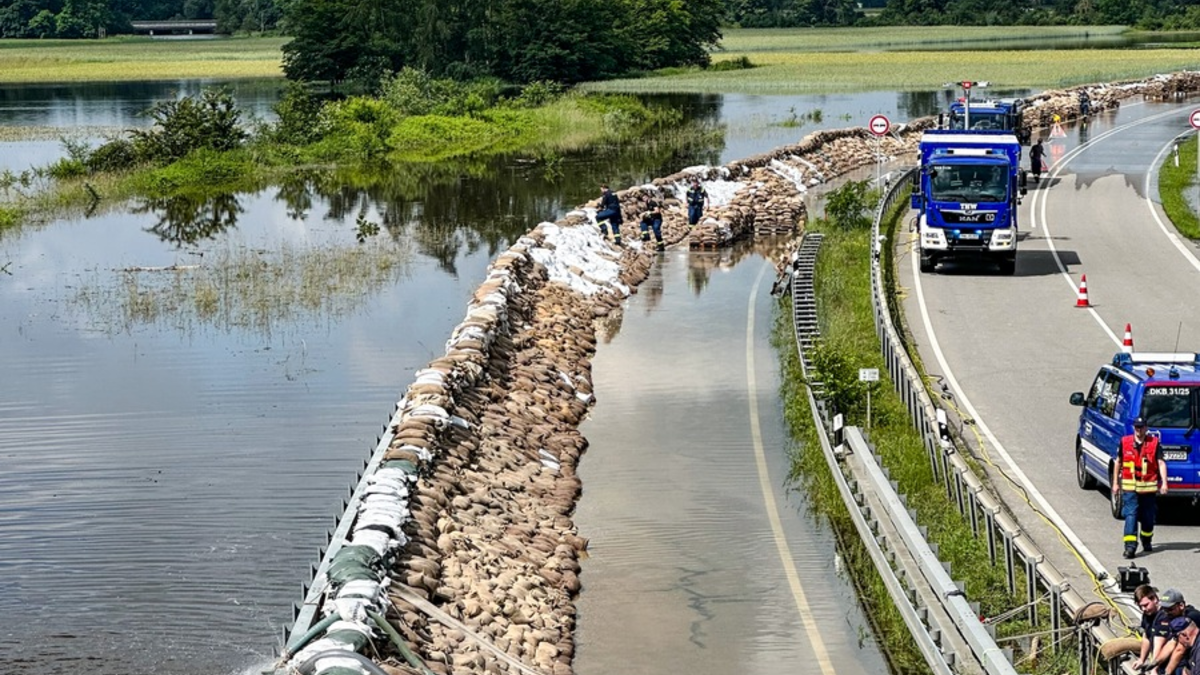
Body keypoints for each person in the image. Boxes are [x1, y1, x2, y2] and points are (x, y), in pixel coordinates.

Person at [1113, 416, 1167, 559]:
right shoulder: (1125, 442)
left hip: (1148, 488)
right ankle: (1130, 547)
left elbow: (1161, 463)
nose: (1139, 429)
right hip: (1130, 488)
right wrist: (1115, 484)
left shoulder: (1154, 443)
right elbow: (1118, 462)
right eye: (1137, 427)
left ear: (1146, 428)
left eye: (1141, 427)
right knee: (1131, 515)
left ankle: (1146, 539)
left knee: (1148, 518)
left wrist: (1165, 483)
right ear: (1133, 428)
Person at [1151, 589, 1200, 674]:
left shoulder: (1190, 618)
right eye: (1164, 609)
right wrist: (1155, 662)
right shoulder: (1176, 618)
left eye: (1170, 609)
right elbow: (1172, 642)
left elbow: (1180, 650)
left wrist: (1168, 672)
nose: (1166, 613)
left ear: (1181, 605)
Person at [1134, 585, 1168, 672]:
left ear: (1155, 599)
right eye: (1140, 606)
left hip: (1167, 661)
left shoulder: (1164, 616)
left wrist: (1154, 669)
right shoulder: (1147, 614)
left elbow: (1159, 645)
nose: (1143, 609)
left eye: (1146, 605)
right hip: (1158, 660)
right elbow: (1146, 638)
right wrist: (1142, 660)